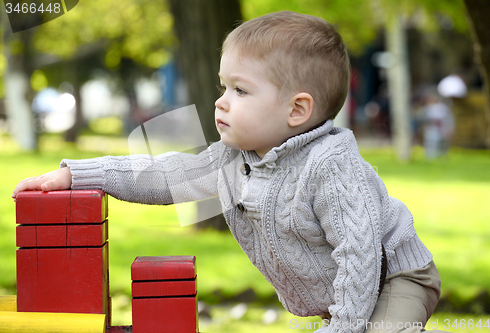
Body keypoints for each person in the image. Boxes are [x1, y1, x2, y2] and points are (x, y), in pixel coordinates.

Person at [12, 11, 447, 333]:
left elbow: (360, 254)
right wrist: (80, 175)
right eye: (223, 86)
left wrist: (346, 325)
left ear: (297, 110)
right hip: (347, 293)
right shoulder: (232, 158)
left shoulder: (331, 167)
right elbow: (164, 176)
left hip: (395, 276)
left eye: (240, 90)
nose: (221, 101)